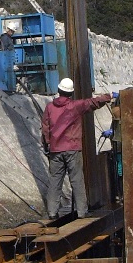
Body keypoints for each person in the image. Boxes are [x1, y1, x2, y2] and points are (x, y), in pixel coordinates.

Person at [41, 77, 112, 223]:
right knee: (77, 180)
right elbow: (93, 103)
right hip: (72, 149)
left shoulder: (49, 107)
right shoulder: (75, 106)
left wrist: (47, 145)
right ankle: (81, 213)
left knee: (55, 181)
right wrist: (109, 96)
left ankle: (52, 213)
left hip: (55, 150)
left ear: (59, 90)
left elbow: (45, 128)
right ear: (71, 93)